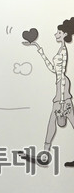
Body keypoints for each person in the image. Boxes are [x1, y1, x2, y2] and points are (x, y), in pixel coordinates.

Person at [23, 18, 74, 166]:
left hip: (62, 89)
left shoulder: (63, 50)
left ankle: (45, 154)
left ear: (64, 34)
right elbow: (53, 69)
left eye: (58, 33)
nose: (55, 35)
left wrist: (62, 101)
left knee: (54, 120)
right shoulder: (60, 50)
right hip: (60, 87)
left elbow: (62, 75)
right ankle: (45, 154)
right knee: (54, 121)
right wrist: (39, 48)